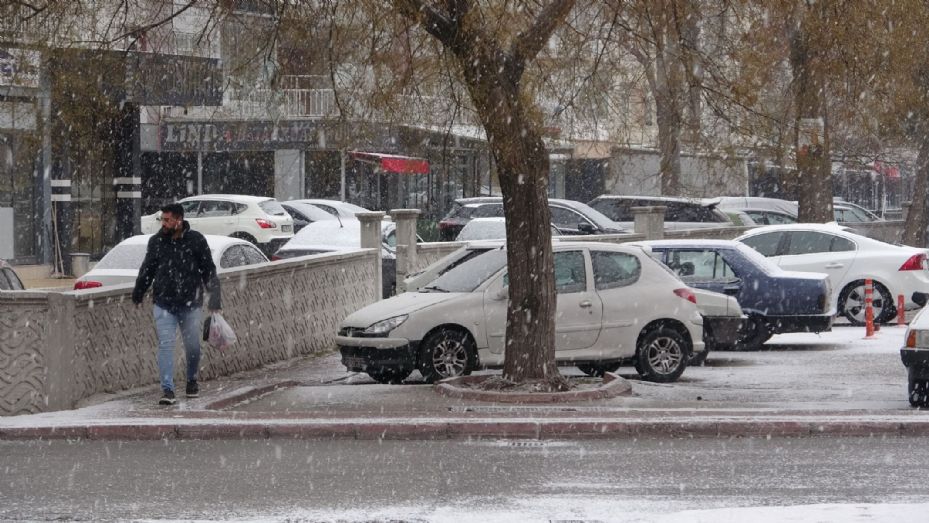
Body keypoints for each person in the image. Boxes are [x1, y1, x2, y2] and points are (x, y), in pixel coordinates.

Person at [132, 203, 222, 405]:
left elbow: (208, 270)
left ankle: (192, 380)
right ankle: (167, 390)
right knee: (166, 345)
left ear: (179, 220)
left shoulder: (196, 240)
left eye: (167, 219)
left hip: (191, 304)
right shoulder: (156, 242)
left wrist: (214, 299)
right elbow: (148, 270)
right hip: (164, 303)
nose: (163, 223)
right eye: (162, 219)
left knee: (192, 347)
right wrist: (138, 293)